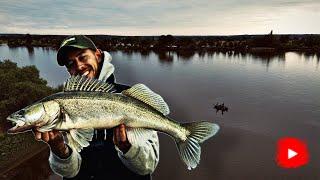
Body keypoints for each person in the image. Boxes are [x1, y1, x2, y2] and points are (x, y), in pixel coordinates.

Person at [32, 35, 159, 179]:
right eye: (71, 63)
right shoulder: (61, 109)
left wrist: (127, 147)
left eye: (83, 57)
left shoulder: (130, 98)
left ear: (98, 55)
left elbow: (148, 166)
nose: (79, 66)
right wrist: (60, 150)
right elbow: (69, 172)